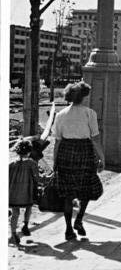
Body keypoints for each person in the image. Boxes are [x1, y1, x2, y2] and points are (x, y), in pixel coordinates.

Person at [52, 81, 105, 241]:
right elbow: (95, 139)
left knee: (68, 194)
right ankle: (79, 219)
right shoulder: (89, 113)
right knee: (87, 189)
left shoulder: (60, 115)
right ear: (84, 97)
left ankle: (68, 229)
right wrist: (102, 157)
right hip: (84, 152)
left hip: (66, 153)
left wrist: (55, 161)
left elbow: (57, 141)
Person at [9, 139, 39, 245]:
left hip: (13, 192)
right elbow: (37, 178)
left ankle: (13, 234)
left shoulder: (11, 164)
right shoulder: (32, 163)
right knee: (29, 207)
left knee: (15, 213)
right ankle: (25, 225)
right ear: (29, 151)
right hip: (26, 191)